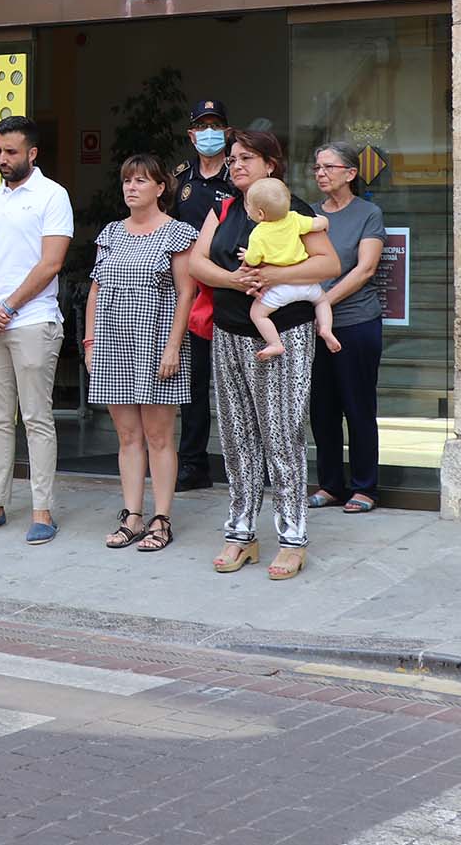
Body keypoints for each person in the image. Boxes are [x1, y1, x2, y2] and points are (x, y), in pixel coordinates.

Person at [188, 129, 342, 581]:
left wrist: (270, 274)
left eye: (246, 158)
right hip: (229, 332)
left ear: (270, 165)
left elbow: (329, 264)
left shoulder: (293, 210)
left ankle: (292, 538)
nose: (235, 165)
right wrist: (235, 280)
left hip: (285, 335)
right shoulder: (224, 207)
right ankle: (241, 534)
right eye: (233, 158)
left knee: (282, 433)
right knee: (237, 437)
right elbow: (198, 262)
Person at [0, 116, 72, 544]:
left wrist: (6, 306)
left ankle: (42, 512)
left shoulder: (52, 195)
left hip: (34, 320)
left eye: (11, 152)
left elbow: (51, 263)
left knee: (37, 418)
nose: (2, 160)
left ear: (32, 153)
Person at [83, 154, 198, 552]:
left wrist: (172, 346)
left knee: (159, 436)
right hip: (112, 342)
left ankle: (161, 518)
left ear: (160, 188)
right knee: (128, 435)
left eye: (141, 181)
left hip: (155, 341)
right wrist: (90, 342)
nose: (132, 187)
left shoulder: (177, 233)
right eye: (127, 181)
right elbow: (96, 290)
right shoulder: (112, 232)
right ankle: (132, 515)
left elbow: (187, 292)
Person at [307, 140, 387, 515]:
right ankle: (330, 484)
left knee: (358, 406)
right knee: (322, 409)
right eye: (317, 168)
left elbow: (366, 269)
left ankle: (365, 486)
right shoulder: (308, 215)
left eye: (329, 167)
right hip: (312, 326)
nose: (321, 173)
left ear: (350, 174)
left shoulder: (368, 213)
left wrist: (325, 300)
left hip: (355, 322)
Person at [170, 99, 231, 491]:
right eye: (202, 126)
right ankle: (193, 463)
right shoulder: (181, 179)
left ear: (226, 131)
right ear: (192, 134)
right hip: (190, 295)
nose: (209, 132)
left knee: (233, 381)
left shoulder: (238, 175)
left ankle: (246, 462)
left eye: (216, 125)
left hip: (229, 288)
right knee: (192, 383)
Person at [238, 177, 333, 361]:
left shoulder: (258, 234)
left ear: (260, 214)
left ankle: (275, 343)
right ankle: (326, 329)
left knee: (257, 314)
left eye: (248, 205)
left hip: (280, 288)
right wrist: (325, 222)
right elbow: (317, 224)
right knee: (322, 301)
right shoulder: (295, 219)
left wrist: (247, 255)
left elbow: (253, 258)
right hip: (306, 283)